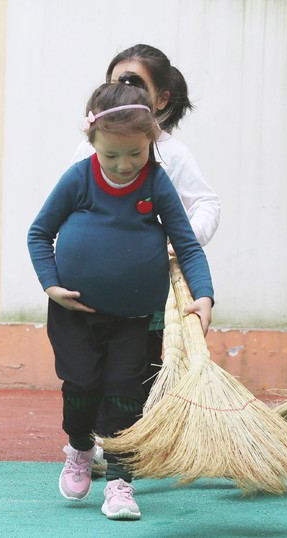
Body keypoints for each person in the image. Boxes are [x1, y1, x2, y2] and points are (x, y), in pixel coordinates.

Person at [29, 82, 214, 520]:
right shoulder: (79, 178)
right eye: (111, 155)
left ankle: (120, 483)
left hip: (135, 318)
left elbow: (187, 244)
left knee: (126, 396)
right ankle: (78, 447)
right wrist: (51, 284)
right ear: (92, 141)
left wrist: (203, 295)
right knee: (81, 389)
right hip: (75, 314)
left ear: (151, 140)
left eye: (136, 153)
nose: (124, 165)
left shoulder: (156, 181)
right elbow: (39, 232)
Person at [71, 44, 221, 477]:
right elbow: (64, 209)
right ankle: (98, 442)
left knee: (136, 367)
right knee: (90, 365)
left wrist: (181, 241)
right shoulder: (88, 152)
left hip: (147, 290)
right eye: (116, 82)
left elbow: (207, 204)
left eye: (135, 83)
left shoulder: (170, 154)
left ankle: (125, 447)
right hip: (95, 286)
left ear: (161, 100)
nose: (124, 90)